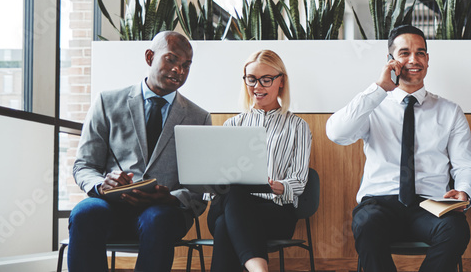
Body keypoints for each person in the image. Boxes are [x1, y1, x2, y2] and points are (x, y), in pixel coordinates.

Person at [326, 25, 471, 272]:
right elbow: (336, 133)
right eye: (404, 53)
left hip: (431, 205)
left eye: (420, 53)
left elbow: (466, 165)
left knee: (456, 229)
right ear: (390, 60)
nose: (413, 60)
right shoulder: (373, 105)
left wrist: (464, 190)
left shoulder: (450, 111)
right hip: (379, 203)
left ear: (427, 60)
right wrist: (379, 88)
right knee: (365, 224)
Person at [70, 31, 211, 272]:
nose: (179, 70)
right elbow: (84, 166)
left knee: (158, 219)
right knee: (85, 213)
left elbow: (199, 190)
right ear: (149, 57)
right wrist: (102, 184)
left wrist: (170, 197)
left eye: (186, 65)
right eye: (171, 60)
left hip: (165, 212)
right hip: (111, 206)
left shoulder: (199, 117)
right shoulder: (106, 102)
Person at [208, 50, 313, 272]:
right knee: (235, 190)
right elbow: (213, 187)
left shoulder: (297, 127)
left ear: (281, 81)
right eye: (251, 79)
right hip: (230, 205)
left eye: (266, 80)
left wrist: (280, 186)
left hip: (274, 212)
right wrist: (210, 182)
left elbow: (300, 181)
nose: (257, 86)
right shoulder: (232, 125)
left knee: (223, 226)